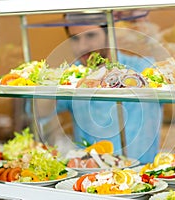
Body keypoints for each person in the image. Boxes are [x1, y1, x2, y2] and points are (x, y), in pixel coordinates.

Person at [29, 14, 164, 164]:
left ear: (110, 34)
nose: (82, 46)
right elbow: (39, 112)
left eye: (91, 35)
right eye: (75, 38)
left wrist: (153, 38)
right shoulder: (72, 76)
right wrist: (52, 81)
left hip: (142, 177)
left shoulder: (143, 68)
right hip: (89, 178)